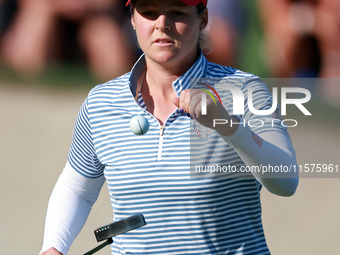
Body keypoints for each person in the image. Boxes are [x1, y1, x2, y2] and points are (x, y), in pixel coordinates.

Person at [40, 0, 299, 254]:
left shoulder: (245, 90)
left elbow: (286, 181)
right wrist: (53, 246)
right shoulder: (101, 102)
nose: (162, 24)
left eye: (176, 12)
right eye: (150, 12)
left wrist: (226, 124)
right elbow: (78, 190)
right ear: (132, 19)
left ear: (203, 18)